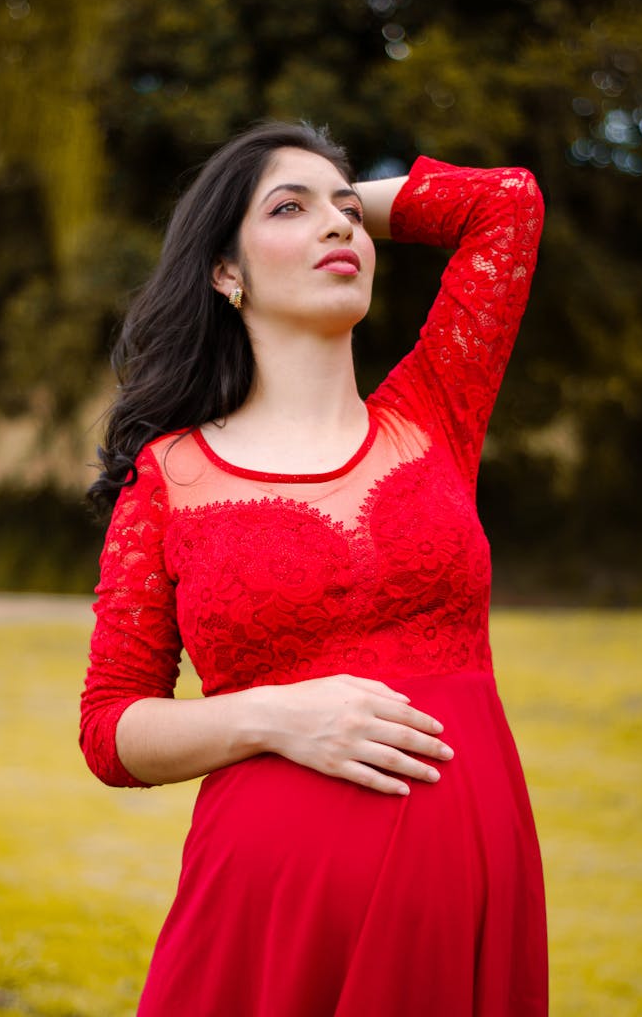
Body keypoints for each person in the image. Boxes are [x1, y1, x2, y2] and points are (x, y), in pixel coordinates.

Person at [80, 120, 547, 1016]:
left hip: (465, 888)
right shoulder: (167, 477)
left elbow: (506, 205)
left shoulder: (434, 411)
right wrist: (273, 715)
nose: (337, 227)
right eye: (289, 211)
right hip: (268, 909)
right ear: (225, 274)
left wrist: (331, 206)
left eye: (348, 213)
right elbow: (111, 730)